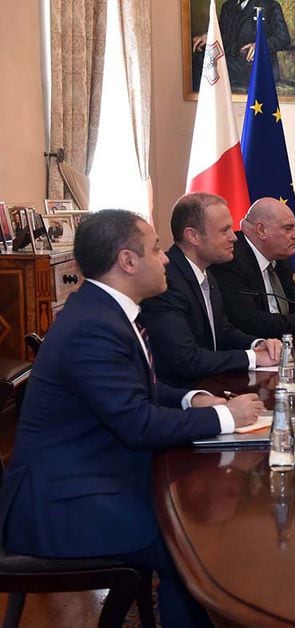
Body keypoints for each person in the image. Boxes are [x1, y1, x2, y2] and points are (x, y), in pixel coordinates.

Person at [0, 209, 265, 627]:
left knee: (196, 520)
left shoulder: (101, 310)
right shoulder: (94, 326)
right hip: (61, 506)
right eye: (157, 249)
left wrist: (192, 398)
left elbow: (135, 390)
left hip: (93, 477)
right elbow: (137, 424)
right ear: (127, 261)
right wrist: (226, 418)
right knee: (190, 548)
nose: (165, 259)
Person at [140, 193, 282, 387]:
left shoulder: (207, 274)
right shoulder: (166, 281)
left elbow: (221, 330)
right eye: (224, 231)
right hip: (180, 397)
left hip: (212, 385)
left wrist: (257, 344)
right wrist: (253, 358)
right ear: (193, 236)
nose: (234, 237)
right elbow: (186, 359)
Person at [209, 197, 295, 338]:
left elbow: (292, 303)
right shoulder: (230, 260)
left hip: (280, 345)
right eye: (288, 228)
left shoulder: (280, 257)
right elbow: (250, 322)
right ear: (261, 230)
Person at [191, 0, 291, 92]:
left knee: (208, 65)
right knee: (201, 60)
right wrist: (209, 36)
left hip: (257, 66)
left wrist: (260, 46)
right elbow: (223, 35)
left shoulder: (270, 5)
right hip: (232, 63)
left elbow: (284, 38)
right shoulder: (228, 6)